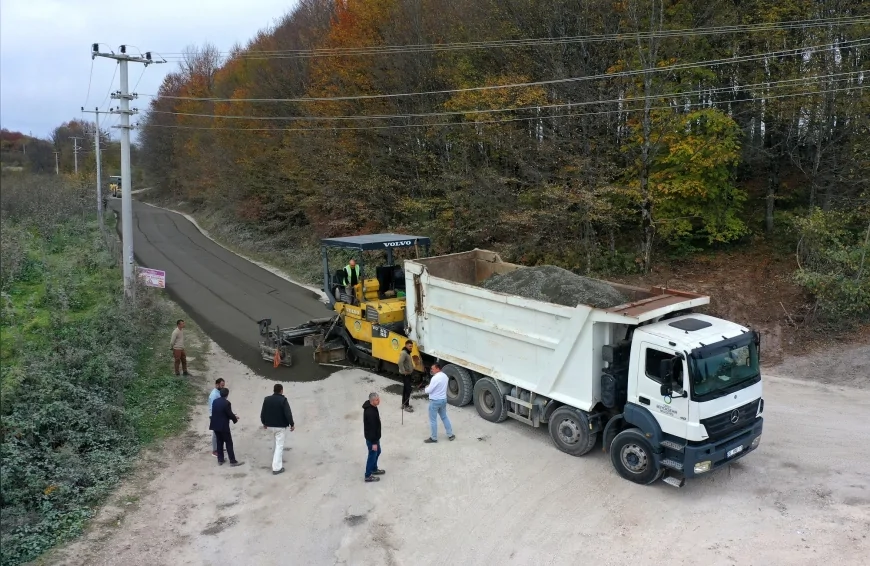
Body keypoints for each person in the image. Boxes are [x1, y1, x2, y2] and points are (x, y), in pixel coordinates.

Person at [260, 383, 295, 475]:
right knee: (279, 446)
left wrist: (264, 422)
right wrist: (292, 424)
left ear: (274, 390)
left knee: (274, 443)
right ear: (281, 390)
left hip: (269, 426)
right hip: (280, 426)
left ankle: (275, 459)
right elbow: (288, 413)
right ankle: (276, 468)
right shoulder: (283, 400)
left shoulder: (266, 399)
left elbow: (263, 412)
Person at [210, 388, 244, 467]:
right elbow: (229, 413)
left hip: (215, 425)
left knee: (219, 442)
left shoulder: (215, 401)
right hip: (223, 426)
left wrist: (232, 416)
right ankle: (232, 461)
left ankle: (220, 459)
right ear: (227, 394)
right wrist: (235, 418)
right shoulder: (227, 403)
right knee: (229, 443)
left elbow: (219, 412)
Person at [424, 363, 455, 443]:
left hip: (435, 401)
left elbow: (429, 390)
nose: (432, 370)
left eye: (433, 369)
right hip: (443, 400)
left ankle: (433, 438)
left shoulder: (435, 378)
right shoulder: (445, 376)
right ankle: (450, 435)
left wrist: (426, 388)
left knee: (433, 420)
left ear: (438, 369)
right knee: (444, 417)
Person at [362, 392, 384, 483]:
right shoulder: (370, 412)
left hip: (375, 437)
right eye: (376, 400)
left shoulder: (372, 407)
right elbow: (372, 428)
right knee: (372, 455)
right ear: (371, 401)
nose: (379, 401)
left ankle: (374, 468)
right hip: (372, 439)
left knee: (378, 452)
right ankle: (368, 475)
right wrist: (374, 442)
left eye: (378, 399)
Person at [208, 378, 226, 457]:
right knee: (215, 434)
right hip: (215, 416)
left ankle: (219, 448)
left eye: (223, 385)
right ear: (217, 384)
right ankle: (215, 451)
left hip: (219, 416)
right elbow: (212, 407)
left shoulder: (218, 392)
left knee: (220, 433)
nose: (223, 387)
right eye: (222, 385)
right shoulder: (214, 394)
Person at [398, 340, 415, 412]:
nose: (411, 347)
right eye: (409, 346)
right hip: (406, 375)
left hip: (408, 374)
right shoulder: (404, 353)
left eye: (411, 346)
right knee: (408, 390)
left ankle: (403, 404)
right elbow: (399, 362)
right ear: (406, 345)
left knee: (405, 389)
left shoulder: (407, 352)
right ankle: (406, 406)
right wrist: (403, 371)